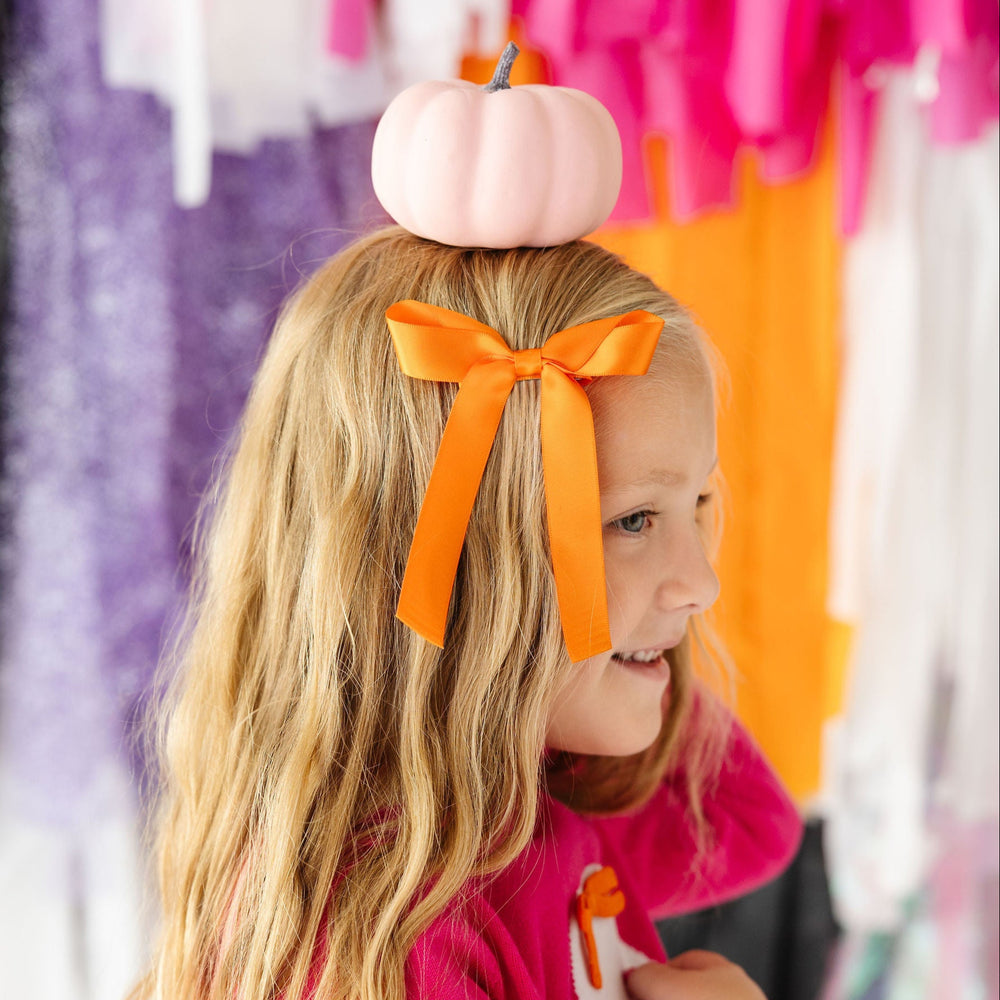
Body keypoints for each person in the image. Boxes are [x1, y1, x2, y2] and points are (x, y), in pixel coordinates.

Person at [133, 227, 802, 1000]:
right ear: (457, 570)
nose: (701, 583)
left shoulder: (527, 799)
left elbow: (746, 821)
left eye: (699, 504)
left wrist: (579, 672)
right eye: (634, 521)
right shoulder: (405, 943)